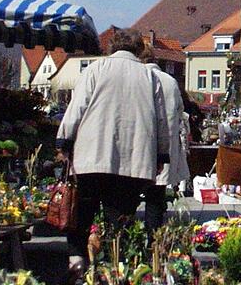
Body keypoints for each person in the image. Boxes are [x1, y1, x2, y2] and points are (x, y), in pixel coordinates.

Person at [56, 28, 167, 273]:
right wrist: (161, 154)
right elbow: (161, 121)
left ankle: (77, 260)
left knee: (82, 214)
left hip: (92, 158)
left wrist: (64, 141)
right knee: (119, 219)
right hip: (132, 161)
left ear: (112, 47)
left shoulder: (96, 69)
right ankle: (115, 267)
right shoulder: (150, 77)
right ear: (138, 49)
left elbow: (77, 107)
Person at [143, 46, 188, 235]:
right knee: (155, 197)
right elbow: (180, 112)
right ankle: (153, 237)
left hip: (139, 146)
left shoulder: (136, 79)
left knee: (127, 195)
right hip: (164, 148)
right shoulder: (170, 81)